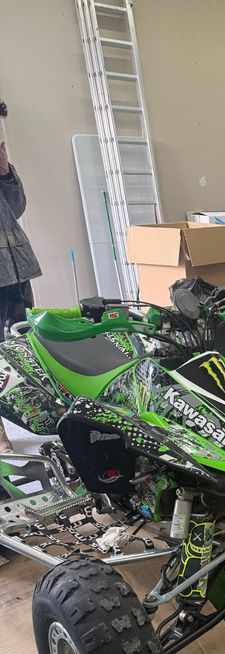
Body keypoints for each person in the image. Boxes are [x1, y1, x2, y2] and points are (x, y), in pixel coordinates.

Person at [0, 100, 42, 451]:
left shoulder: (3, 165)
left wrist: (5, 174)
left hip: (16, 270)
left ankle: (34, 413)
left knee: (25, 346)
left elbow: (17, 209)